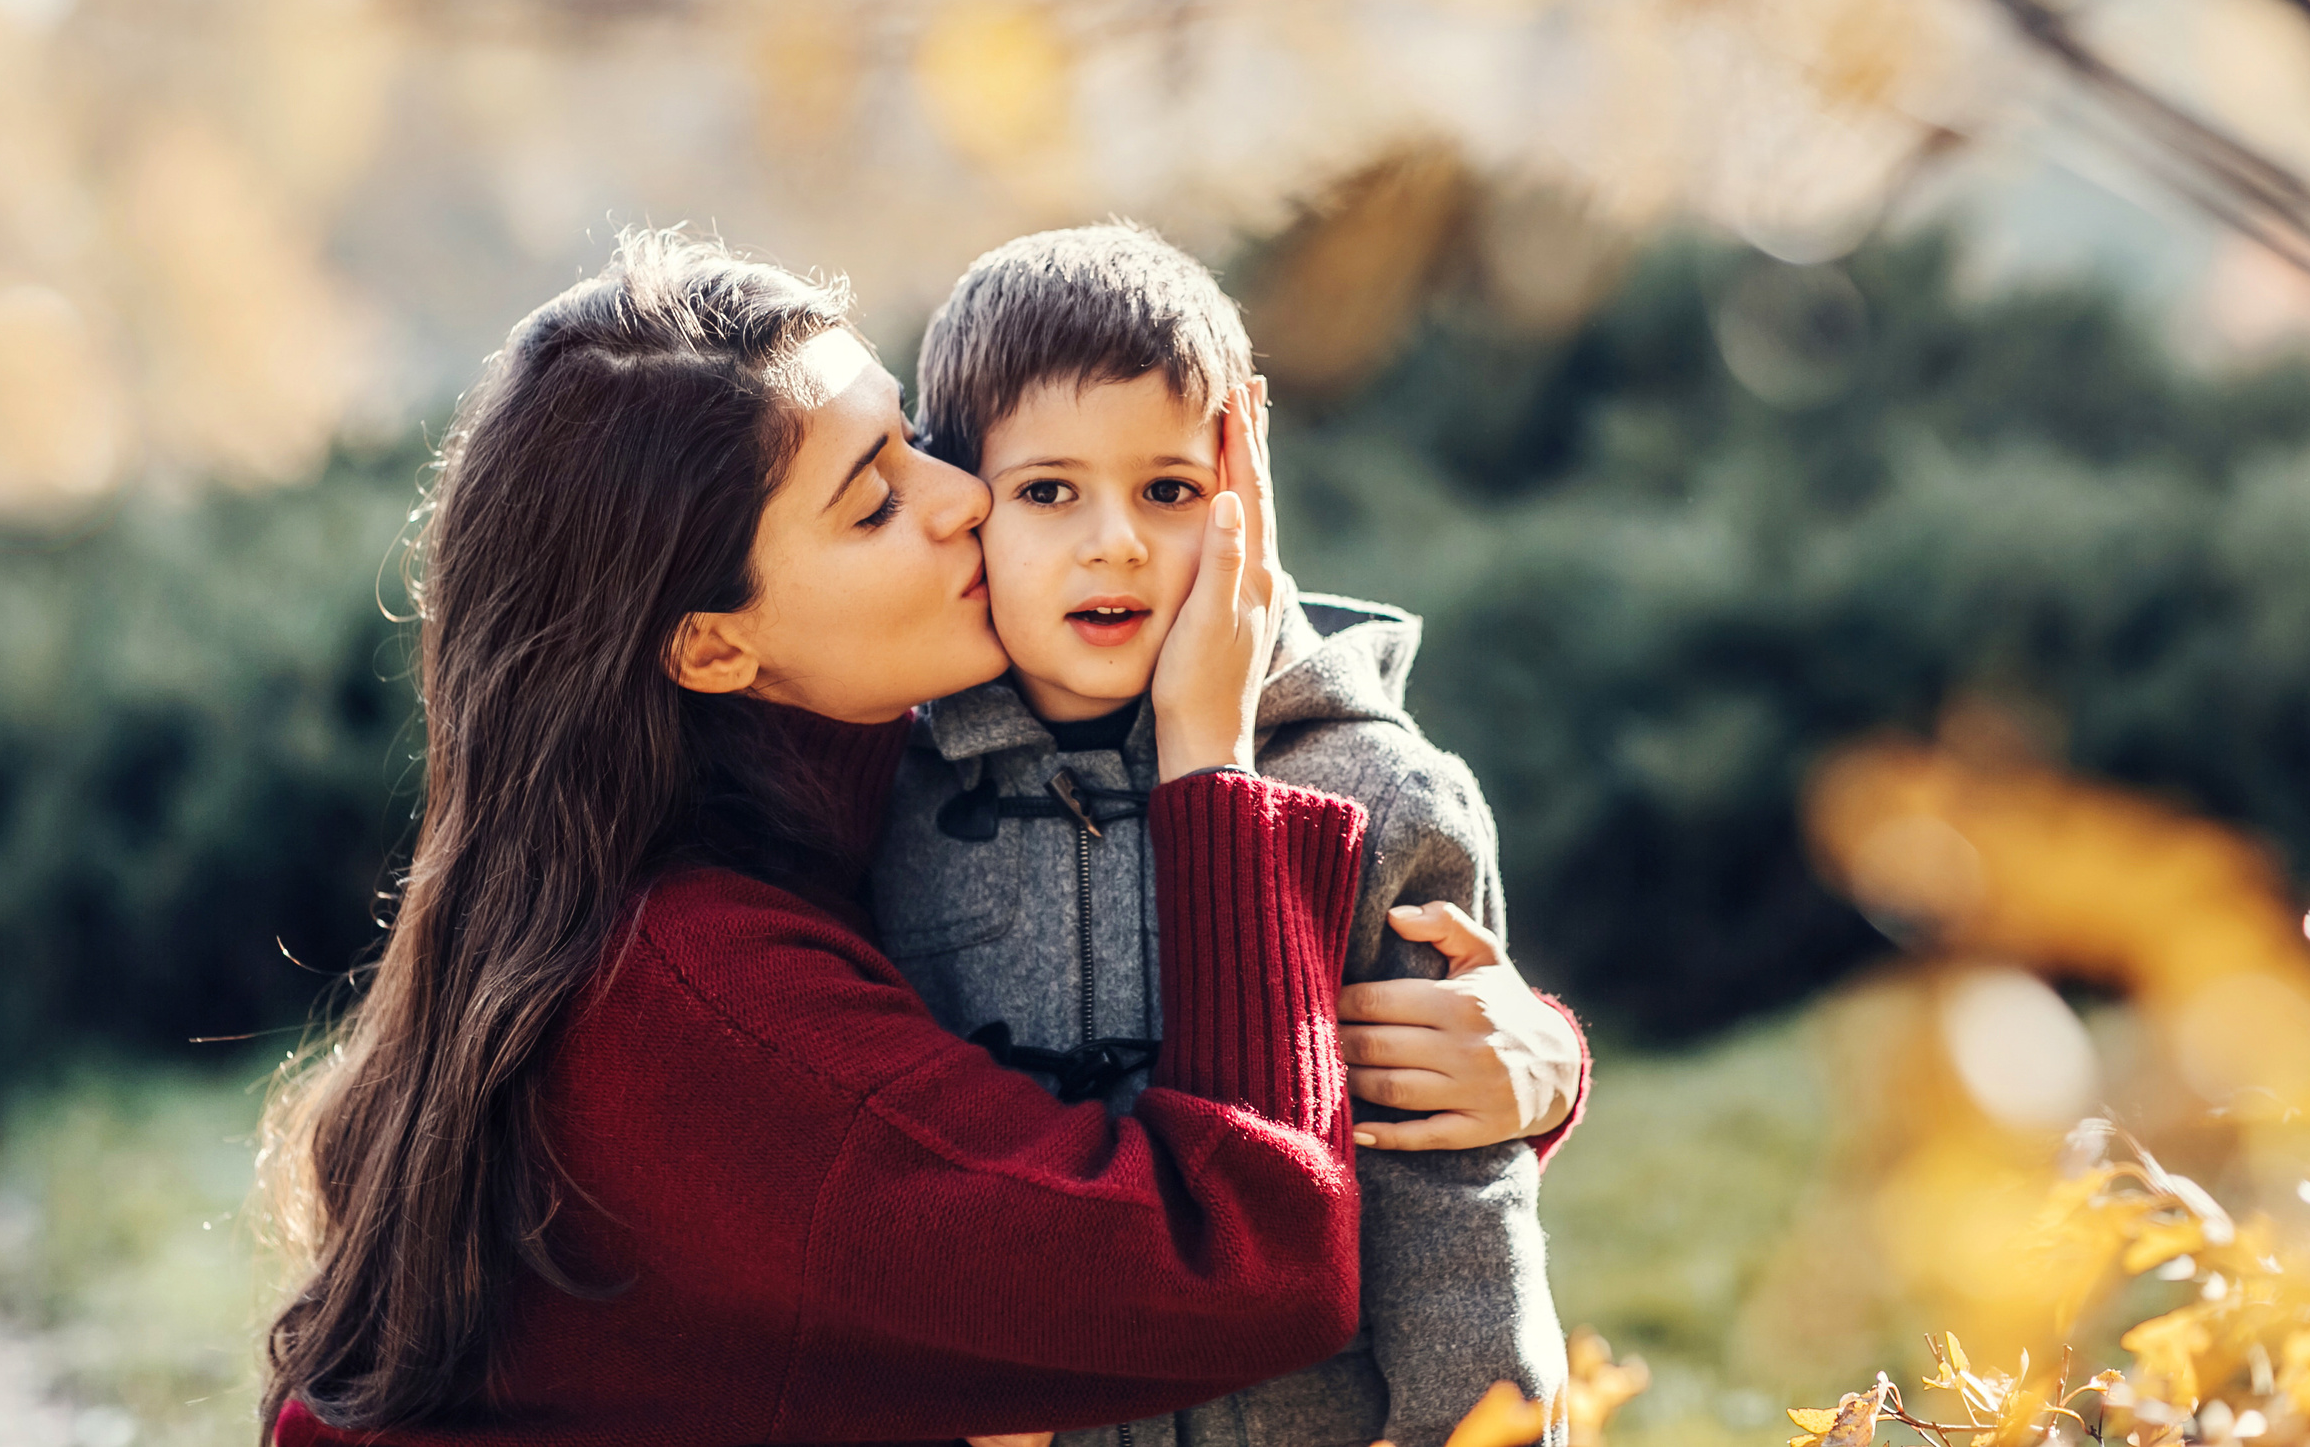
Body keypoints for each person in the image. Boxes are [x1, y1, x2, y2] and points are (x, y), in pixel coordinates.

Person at [256, 230, 1549, 1447]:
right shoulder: (687, 1001)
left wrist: (1512, 1076)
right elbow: (1235, 1264)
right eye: (873, 503)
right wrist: (1211, 759)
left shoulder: (845, 797)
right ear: (714, 643)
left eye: (915, 441)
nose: (965, 500)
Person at [873, 224, 1588, 1447]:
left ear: (1244, 498)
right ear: (961, 506)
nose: (1118, 541)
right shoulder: (885, 802)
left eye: (1168, 490)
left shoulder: (1379, 792)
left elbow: (1457, 1210)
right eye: (1049, 491)